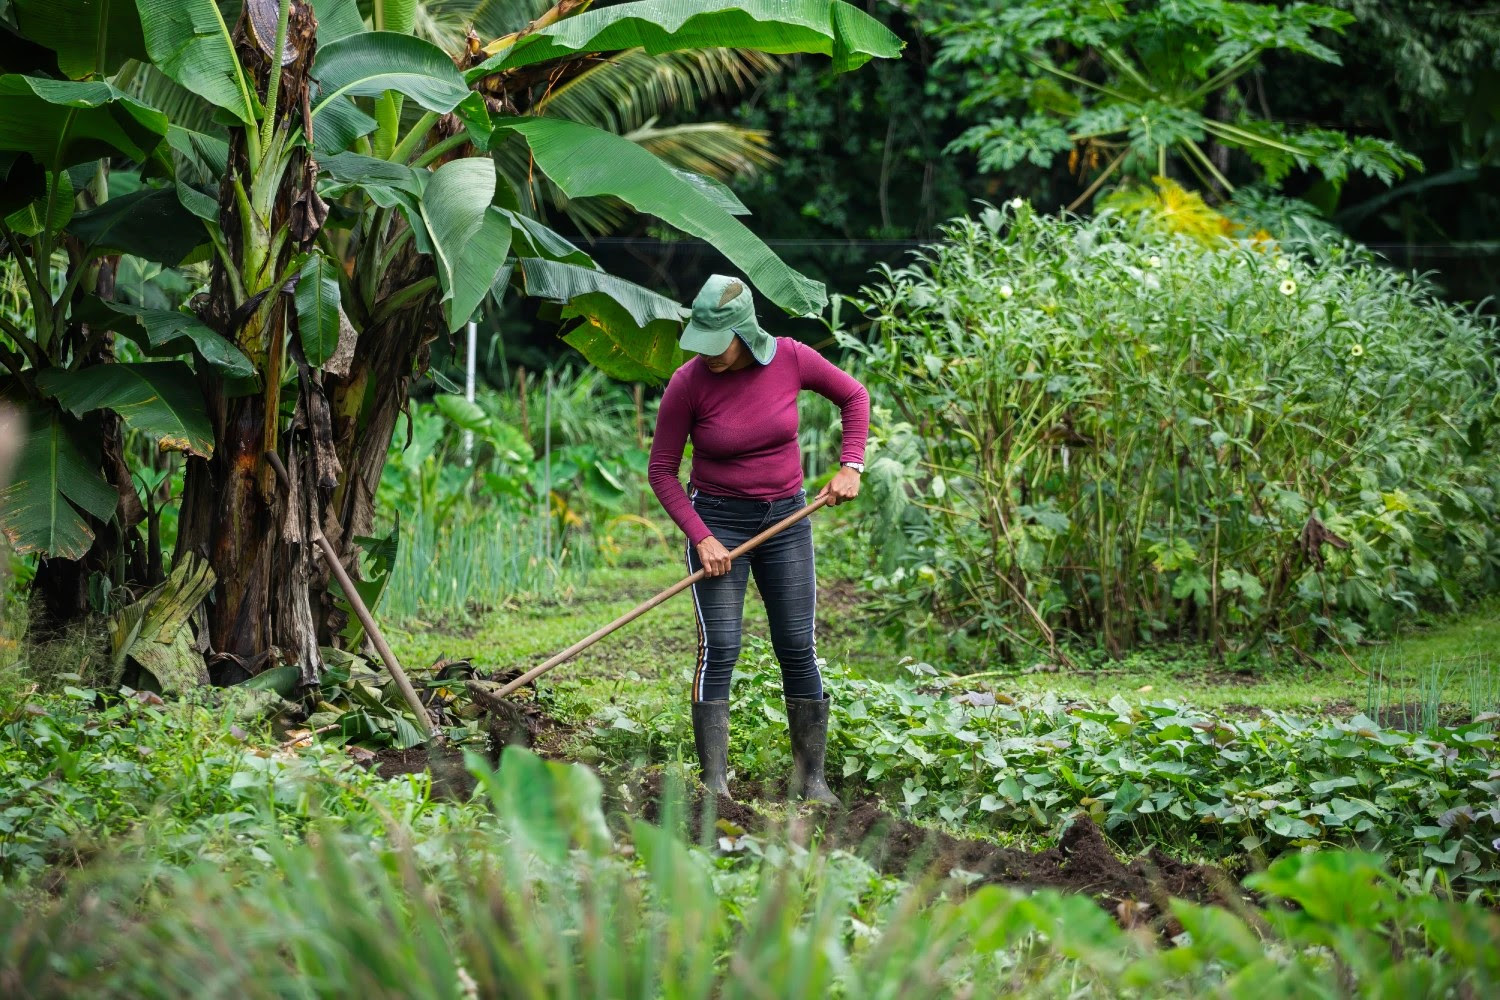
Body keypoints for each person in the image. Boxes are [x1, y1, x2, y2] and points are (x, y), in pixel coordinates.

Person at [648, 274, 869, 804]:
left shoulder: (791, 358)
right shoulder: (689, 382)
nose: (707, 354)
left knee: (797, 645)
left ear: (744, 330)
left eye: (716, 341)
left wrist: (851, 465)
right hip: (718, 522)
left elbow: (854, 396)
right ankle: (715, 785)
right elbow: (661, 471)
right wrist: (702, 537)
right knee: (720, 647)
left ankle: (811, 781)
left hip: (787, 522)